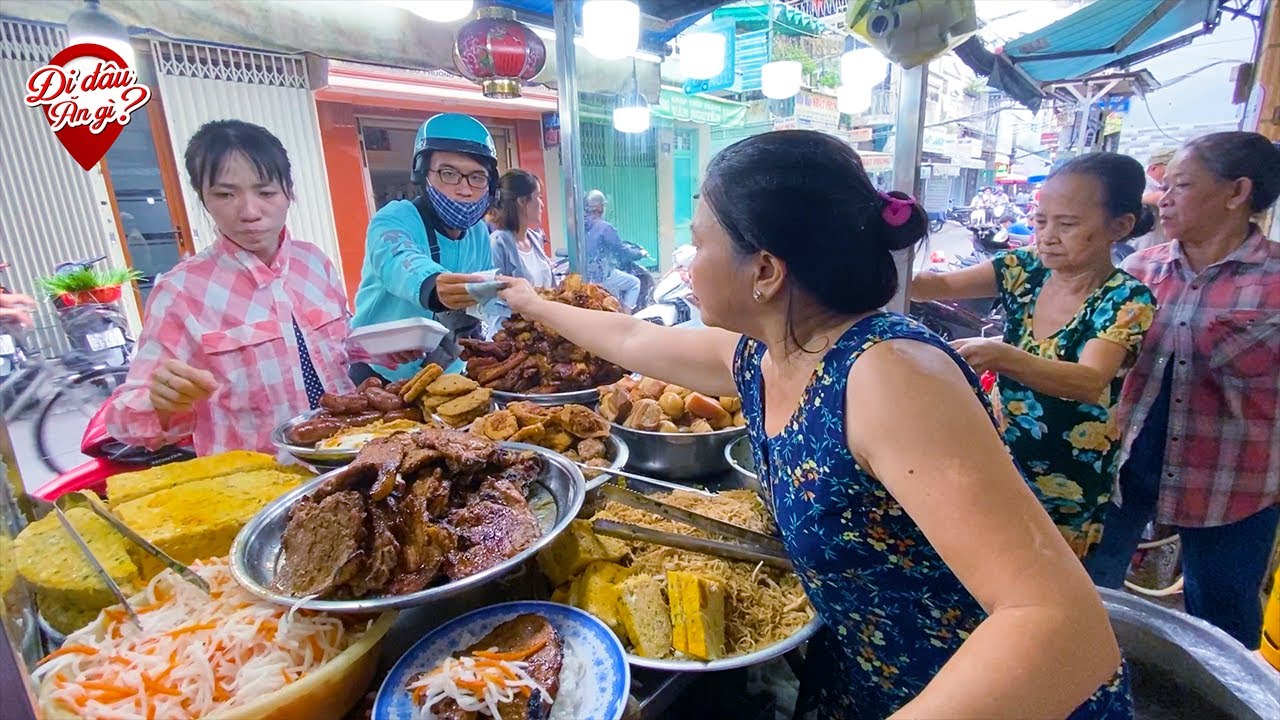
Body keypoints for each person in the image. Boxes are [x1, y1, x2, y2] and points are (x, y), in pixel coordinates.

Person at [499, 131, 1130, 719]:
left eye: (700, 242)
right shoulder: (765, 353)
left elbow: (1061, 628)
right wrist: (529, 301)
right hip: (866, 670)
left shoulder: (891, 376)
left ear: (766, 271)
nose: (688, 263)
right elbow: (634, 335)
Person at [1084, 132, 1280, 648]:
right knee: (1088, 593)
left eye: (1182, 186)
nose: (1163, 199)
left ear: (1237, 192)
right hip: (1126, 464)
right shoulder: (1139, 270)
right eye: (1163, 187)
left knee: (1223, 617)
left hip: (1234, 480)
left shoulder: (1278, 278)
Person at [914, 153, 1157, 560]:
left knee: (1049, 576)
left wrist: (1000, 355)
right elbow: (930, 287)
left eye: (1067, 224)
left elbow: (1088, 379)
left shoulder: (1127, 299)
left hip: (1071, 477)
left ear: (1120, 227)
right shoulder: (1025, 267)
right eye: (1041, 220)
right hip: (1000, 455)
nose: (1047, 236)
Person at [104, 120, 359, 456]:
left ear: (289, 192)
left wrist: (385, 349)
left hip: (347, 460)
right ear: (203, 199)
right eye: (225, 194)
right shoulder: (181, 292)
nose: (250, 212)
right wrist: (160, 400)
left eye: (266, 192)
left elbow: (337, 353)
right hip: (258, 484)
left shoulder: (314, 264)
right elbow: (124, 420)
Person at [351, 112, 497, 378]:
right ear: (422, 175)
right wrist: (432, 284)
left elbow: (481, 298)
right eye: (448, 173)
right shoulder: (394, 218)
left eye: (477, 177)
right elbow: (398, 259)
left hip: (448, 373)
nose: (464, 190)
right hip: (381, 375)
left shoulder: (479, 233)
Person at [489, 169, 554, 288]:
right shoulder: (496, 245)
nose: (542, 205)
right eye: (539, 197)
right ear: (522, 201)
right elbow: (493, 297)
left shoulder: (535, 238)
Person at [582, 190, 641, 310]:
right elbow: (622, 251)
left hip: (584, 277)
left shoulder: (579, 225)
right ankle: (626, 316)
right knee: (634, 283)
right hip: (601, 277)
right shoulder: (605, 227)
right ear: (600, 207)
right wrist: (639, 254)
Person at [1130, 148, 1175, 251]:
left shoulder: (1166, 186)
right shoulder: (1140, 180)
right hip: (1138, 245)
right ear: (1154, 168)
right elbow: (1156, 197)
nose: (1174, 172)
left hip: (1159, 246)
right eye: (1170, 167)